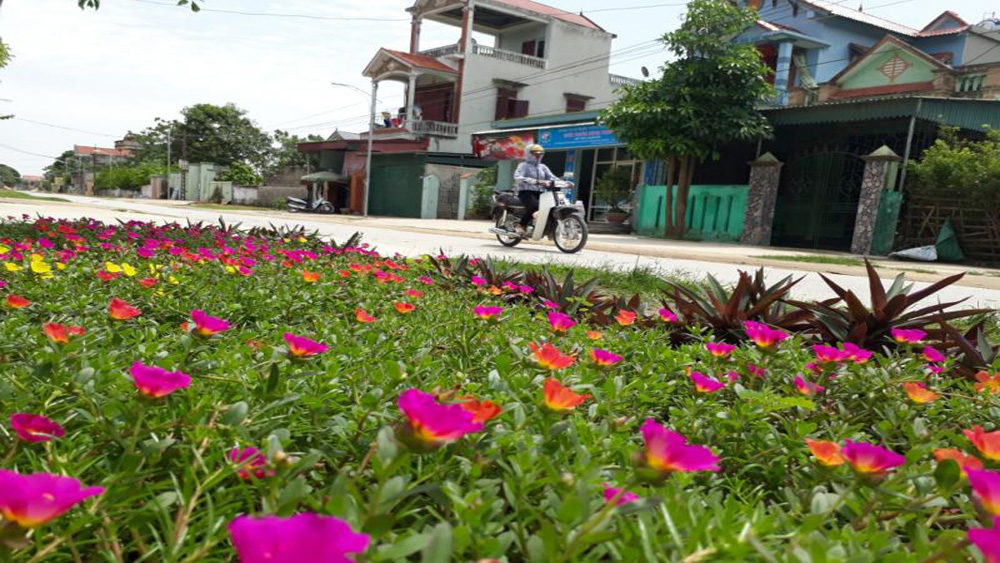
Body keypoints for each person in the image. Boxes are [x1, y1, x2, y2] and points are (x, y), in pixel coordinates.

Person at [513, 144, 557, 234]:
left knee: (552, 207)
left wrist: (565, 182)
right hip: (525, 192)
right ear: (529, 154)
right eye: (535, 153)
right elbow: (517, 177)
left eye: (540, 153)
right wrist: (535, 181)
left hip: (540, 192)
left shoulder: (543, 167)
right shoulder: (523, 165)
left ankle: (548, 228)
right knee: (535, 207)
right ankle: (521, 225)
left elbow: (552, 177)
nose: (538, 155)